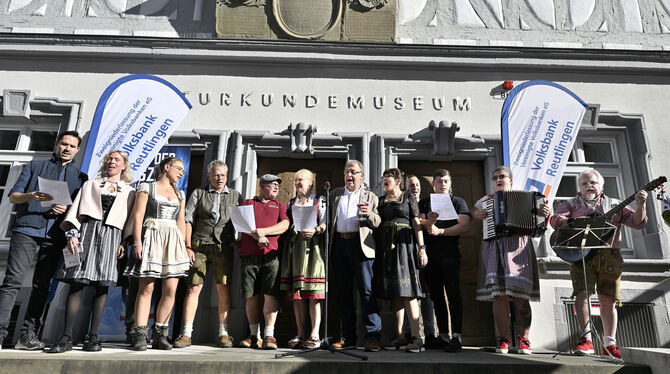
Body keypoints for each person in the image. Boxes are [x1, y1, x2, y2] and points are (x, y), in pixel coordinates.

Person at [0, 131, 87, 351]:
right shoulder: (33, 167)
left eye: (72, 146)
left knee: (42, 286)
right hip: (27, 229)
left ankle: (27, 336)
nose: (67, 148)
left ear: (77, 150)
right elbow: (13, 196)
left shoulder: (80, 178)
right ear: (57, 144)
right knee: (12, 282)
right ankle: (0, 334)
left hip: (56, 235)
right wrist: (31, 196)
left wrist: (67, 210)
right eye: (64, 144)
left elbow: (80, 212)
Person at [550, 168, 647, 360]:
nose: (589, 186)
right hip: (581, 254)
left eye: (592, 182)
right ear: (579, 187)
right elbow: (555, 220)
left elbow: (637, 223)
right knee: (582, 294)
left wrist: (641, 205)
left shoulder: (615, 204)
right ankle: (585, 340)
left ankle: (610, 344)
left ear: (601, 185)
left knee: (608, 299)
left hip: (610, 255)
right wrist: (574, 221)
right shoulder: (570, 203)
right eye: (584, 183)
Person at [48, 150, 136, 353]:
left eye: (116, 160)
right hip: (86, 231)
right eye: (109, 159)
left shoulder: (129, 191)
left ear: (124, 166)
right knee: (77, 282)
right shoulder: (91, 184)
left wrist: (125, 241)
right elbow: (76, 210)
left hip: (112, 237)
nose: (111, 162)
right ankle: (67, 336)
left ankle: (93, 336)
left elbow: (130, 219)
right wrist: (72, 234)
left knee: (102, 285)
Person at [470, 166, 550, 355]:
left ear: (510, 180)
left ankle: (524, 339)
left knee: (520, 294)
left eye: (502, 176)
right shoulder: (486, 200)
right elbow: (472, 212)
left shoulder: (531, 199)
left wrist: (544, 213)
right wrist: (475, 214)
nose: (498, 179)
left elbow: (539, 224)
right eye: (495, 177)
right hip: (495, 248)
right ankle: (503, 339)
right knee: (499, 295)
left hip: (519, 247)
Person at [173, 160, 242, 348]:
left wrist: (239, 240)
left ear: (227, 176)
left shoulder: (236, 195)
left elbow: (242, 221)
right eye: (216, 175)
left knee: (223, 288)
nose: (220, 179)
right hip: (199, 245)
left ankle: (224, 334)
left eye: (223, 175)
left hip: (224, 247)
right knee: (193, 288)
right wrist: (187, 246)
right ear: (208, 176)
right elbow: (188, 219)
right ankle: (186, 334)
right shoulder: (198, 193)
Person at [124, 156, 190, 351]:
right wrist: (137, 241)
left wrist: (186, 246)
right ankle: (140, 334)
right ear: (166, 167)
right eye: (178, 168)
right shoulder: (147, 187)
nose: (180, 173)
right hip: (152, 236)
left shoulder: (180, 193)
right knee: (147, 288)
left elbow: (181, 222)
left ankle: (160, 334)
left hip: (173, 240)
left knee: (170, 289)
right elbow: (138, 215)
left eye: (183, 171)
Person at [329, 160, 382, 352]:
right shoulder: (335, 195)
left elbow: (378, 222)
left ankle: (373, 336)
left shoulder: (370, 196)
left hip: (361, 247)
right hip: (340, 245)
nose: (349, 176)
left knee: (367, 291)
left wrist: (369, 214)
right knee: (343, 292)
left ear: (362, 176)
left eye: (353, 172)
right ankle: (347, 336)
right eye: (346, 172)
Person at [418, 169, 471, 352]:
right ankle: (443, 336)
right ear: (433, 183)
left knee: (453, 295)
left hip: (450, 254)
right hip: (431, 255)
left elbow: (464, 224)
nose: (442, 184)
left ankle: (457, 336)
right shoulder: (425, 202)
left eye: (446, 181)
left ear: (450, 183)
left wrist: (441, 231)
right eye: (439, 181)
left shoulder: (458, 201)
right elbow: (420, 223)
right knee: (436, 297)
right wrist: (429, 223)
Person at [376, 168, 427, 353]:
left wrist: (422, 249)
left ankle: (416, 336)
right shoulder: (381, 200)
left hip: (405, 246)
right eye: (383, 178)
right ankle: (400, 336)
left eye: (388, 177)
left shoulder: (407, 198)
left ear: (398, 180)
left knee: (408, 290)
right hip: (386, 249)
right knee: (395, 292)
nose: (384, 180)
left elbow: (416, 223)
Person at [238, 174, 289, 350]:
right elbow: (241, 223)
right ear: (262, 186)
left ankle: (269, 335)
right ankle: (253, 335)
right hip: (249, 255)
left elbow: (284, 225)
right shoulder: (247, 203)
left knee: (270, 294)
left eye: (278, 185)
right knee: (251, 295)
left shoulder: (280, 205)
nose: (276, 188)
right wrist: (256, 235)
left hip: (272, 256)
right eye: (272, 185)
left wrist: (263, 232)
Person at [280, 169, 327, 349]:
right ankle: (300, 333)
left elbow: (326, 222)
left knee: (314, 294)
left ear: (310, 183)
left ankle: (314, 334)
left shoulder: (319, 201)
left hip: (313, 249)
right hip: (294, 250)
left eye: (302, 180)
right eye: (296, 180)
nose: (298, 183)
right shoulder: (290, 202)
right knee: (297, 295)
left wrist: (316, 230)